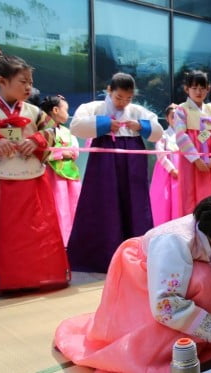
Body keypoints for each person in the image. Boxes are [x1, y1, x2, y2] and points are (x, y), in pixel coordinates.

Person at [54, 186, 211, 372]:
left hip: (179, 290)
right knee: (202, 278)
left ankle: (200, 331)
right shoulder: (174, 242)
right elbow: (165, 306)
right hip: (147, 286)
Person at [67, 72, 163, 273]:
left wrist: (140, 126)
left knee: (135, 203)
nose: (123, 103)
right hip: (104, 161)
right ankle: (100, 257)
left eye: (128, 98)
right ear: (109, 91)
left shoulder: (137, 111)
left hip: (133, 159)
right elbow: (75, 127)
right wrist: (105, 124)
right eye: (119, 97)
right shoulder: (94, 108)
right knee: (103, 201)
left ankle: (137, 257)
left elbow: (158, 131)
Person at [0, 46, 70, 291]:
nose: (29, 87)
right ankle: (3, 278)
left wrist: (36, 140)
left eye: (30, 82)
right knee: (1, 229)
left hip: (32, 179)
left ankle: (38, 275)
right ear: (2, 81)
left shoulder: (34, 111)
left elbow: (52, 132)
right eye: (23, 81)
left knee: (37, 228)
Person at [174, 70, 211, 215]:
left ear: (208, 89)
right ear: (187, 89)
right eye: (194, 88)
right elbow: (180, 136)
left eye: (202, 88)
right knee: (190, 194)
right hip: (191, 162)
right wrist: (196, 159)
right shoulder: (181, 110)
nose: (198, 91)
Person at [41, 95, 82, 246]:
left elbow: (76, 150)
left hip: (69, 175)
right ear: (55, 110)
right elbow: (40, 151)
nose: (67, 112)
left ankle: (72, 238)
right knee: (57, 206)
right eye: (65, 109)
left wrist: (71, 153)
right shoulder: (43, 129)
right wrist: (60, 153)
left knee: (72, 205)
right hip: (51, 175)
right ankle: (57, 239)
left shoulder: (67, 131)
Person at [149, 104, 181, 226]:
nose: (176, 119)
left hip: (182, 170)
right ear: (167, 119)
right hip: (167, 171)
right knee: (165, 201)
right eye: (173, 116)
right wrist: (171, 169)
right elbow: (160, 153)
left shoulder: (187, 135)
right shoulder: (163, 134)